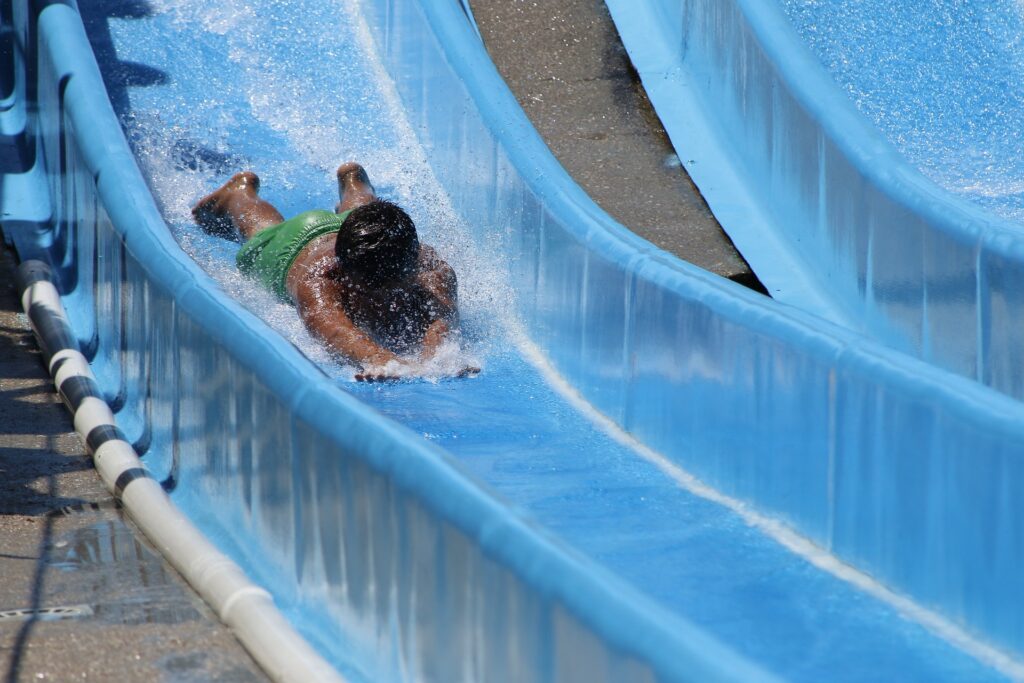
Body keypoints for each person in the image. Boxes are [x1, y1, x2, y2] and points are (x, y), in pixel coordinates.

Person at [192, 162, 473, 381]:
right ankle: (237, 195)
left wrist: (437, 357)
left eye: (392, 285)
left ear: (413, 263)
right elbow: (332, 329)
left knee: (371, 219)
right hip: (290, 248)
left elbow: (442, 320)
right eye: (370, 288)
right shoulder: (317, 278)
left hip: (351, 229)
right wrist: (380, 359)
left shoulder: (432, 269)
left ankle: (354, 186)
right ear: (339, 270)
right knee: (261, 230)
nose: (384, 298)